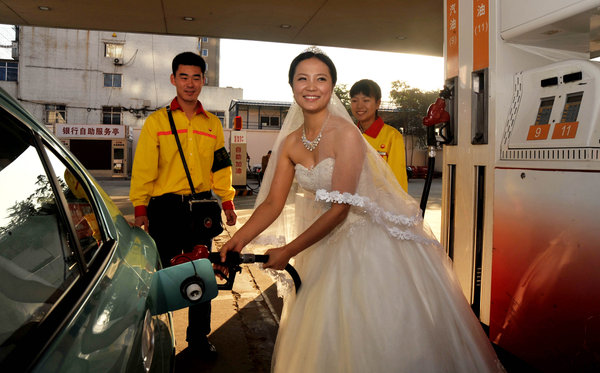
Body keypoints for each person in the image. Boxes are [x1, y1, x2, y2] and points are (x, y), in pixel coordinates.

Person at [219, 48, 505, 372]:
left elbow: (341, 208)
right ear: (292, 86)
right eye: (303, 78)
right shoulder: (291, 143)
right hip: (320, 241)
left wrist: (288, 250)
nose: (311, 86)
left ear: (331, 87)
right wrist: (236, 241)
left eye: (321, 79)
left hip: (366, 243)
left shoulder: (346, 134)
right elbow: (272, 202)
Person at [129, 51, 236, 359]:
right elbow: (145, 168)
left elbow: (220, 166)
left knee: (200, 274)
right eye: (184, 77)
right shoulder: (157, 122)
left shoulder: (213, 124)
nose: (190, 84)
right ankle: (158, 338)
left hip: (200, 210)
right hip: (164, 210)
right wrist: (140, 208)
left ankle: (198, 339)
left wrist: (227, 200)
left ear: (204, 80)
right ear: (173, 79)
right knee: (163, 277)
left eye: (196, 77)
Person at [350, 79, 408, 191]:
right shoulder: (348, 134)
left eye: (366, 100)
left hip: (380, 205)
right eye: (354, 100)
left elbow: (397, 181)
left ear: (378, 103)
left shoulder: (392, 136)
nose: (359, 106)